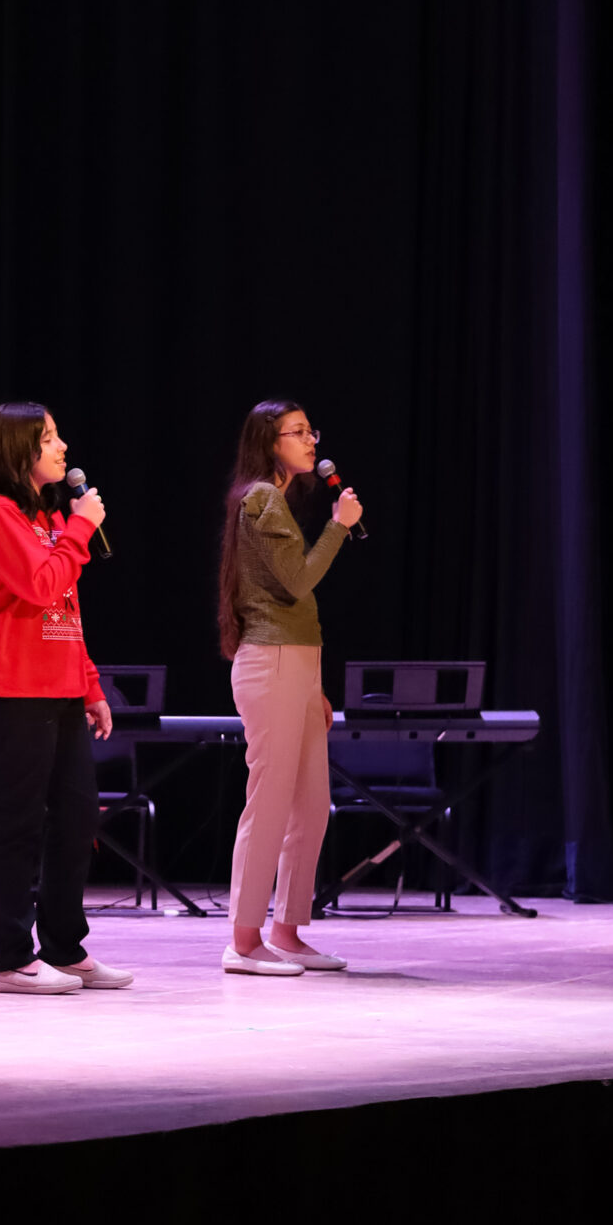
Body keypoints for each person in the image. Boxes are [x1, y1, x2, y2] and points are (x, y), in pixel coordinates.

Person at [0, 402, 132, 995]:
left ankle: (64, 946)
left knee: (79, 817)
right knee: (19, 823)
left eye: (59, 436)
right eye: (50, 438)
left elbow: (67, 611)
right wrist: (82, 527)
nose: (63, 448)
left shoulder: (49, 517)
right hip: (12, 691)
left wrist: (90, 685)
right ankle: (11, 957)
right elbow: (39, 585)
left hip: (60, 691)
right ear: (18, 451)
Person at [216, 399, 362, 976]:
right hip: (271, 662)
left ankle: (287, 929)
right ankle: (244, 940)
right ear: (269, 441)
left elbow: (297, 604)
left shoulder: (273, 499)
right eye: (297, 432)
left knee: (310, 806)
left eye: (311, 431)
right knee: (271, 802)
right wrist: (339, 527)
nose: (310, 442)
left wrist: (315, 687)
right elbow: (299, 583)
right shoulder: (260, 497)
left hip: (297, 667)